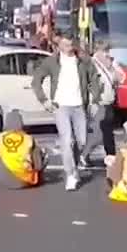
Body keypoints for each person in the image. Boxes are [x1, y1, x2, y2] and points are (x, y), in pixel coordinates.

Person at [31, 35, 101, 190]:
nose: (70, 47)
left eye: (71, 44)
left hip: (79, 106)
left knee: (81, 141)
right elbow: (36, 80)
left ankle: (74, 168)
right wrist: (44, 100)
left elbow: (94, 79)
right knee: (67, 139)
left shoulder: (83, 61)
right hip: (61, 106)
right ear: (60, 46)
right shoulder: (52, 61)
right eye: (66, 45)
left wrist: (95, 100)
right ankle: (70, 174)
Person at [0, 110, 46, 189]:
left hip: (3, 180)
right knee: (39, 152)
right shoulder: (28, 139)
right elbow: (38, 165)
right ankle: (37, 178)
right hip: (24, 181)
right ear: (21, 123)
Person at [87, 39, 124, 164]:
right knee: (98, 132)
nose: (107, 53)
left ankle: (110, 156)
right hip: (96, 102)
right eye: (104, 51)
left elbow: (122, 78)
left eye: (107, 50)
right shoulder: (91, 63)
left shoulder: (112, 63)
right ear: (97, 51)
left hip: (109, 102)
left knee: (107, 131)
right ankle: (85, 154)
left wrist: (112, 69)